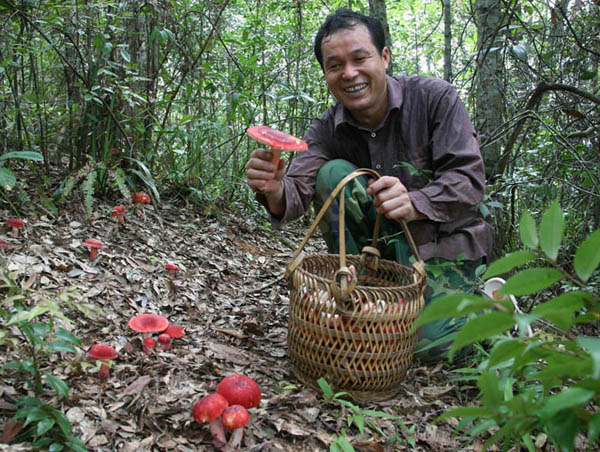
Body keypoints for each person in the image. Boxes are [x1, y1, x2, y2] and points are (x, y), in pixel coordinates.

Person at [245, 8, 494, 363]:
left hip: (441, 248)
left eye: (360, 58)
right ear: (326, 74)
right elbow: (296, 190)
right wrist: (273, 190)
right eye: (335, 65)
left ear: (385, 57)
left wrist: (416, 201)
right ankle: (360, 290)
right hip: (376, 254)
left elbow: (468, 179)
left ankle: (489, 307)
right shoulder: (327, 129)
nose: (349, 73)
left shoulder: (435, 99)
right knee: (333, 174)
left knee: (431, 348)